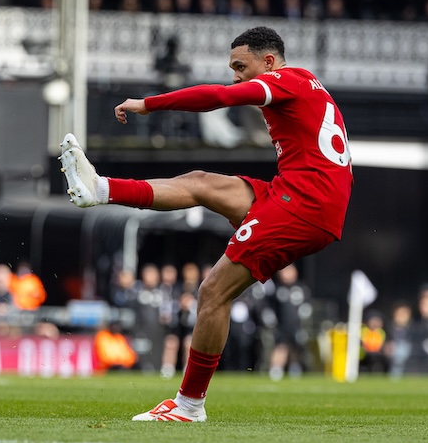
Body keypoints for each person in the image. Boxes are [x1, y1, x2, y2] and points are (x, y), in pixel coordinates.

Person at [59, 26, 352, 422]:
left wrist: (149, 103)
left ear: (268, 62)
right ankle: (101, 189)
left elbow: (219, 97)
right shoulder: (306, 83)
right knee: (201, 183)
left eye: (240, 66)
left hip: (305, 204)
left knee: (213, 291)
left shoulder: (282, 81)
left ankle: (189, 404)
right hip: (296, 193)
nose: (235, 75)